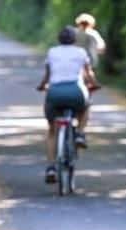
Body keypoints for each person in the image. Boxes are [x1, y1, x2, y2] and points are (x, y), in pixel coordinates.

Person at [37, 25, 98, 183]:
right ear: (75, 39)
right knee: (85, 107)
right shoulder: (81, 52)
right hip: (75, 91)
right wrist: (94, 84)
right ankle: (80, 133)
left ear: (59, 39)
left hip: (55, 92)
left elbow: (48, 75)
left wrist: (41, 86)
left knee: (52, 131)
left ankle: (51, 166)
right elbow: (88, 73)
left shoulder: (52, 52)